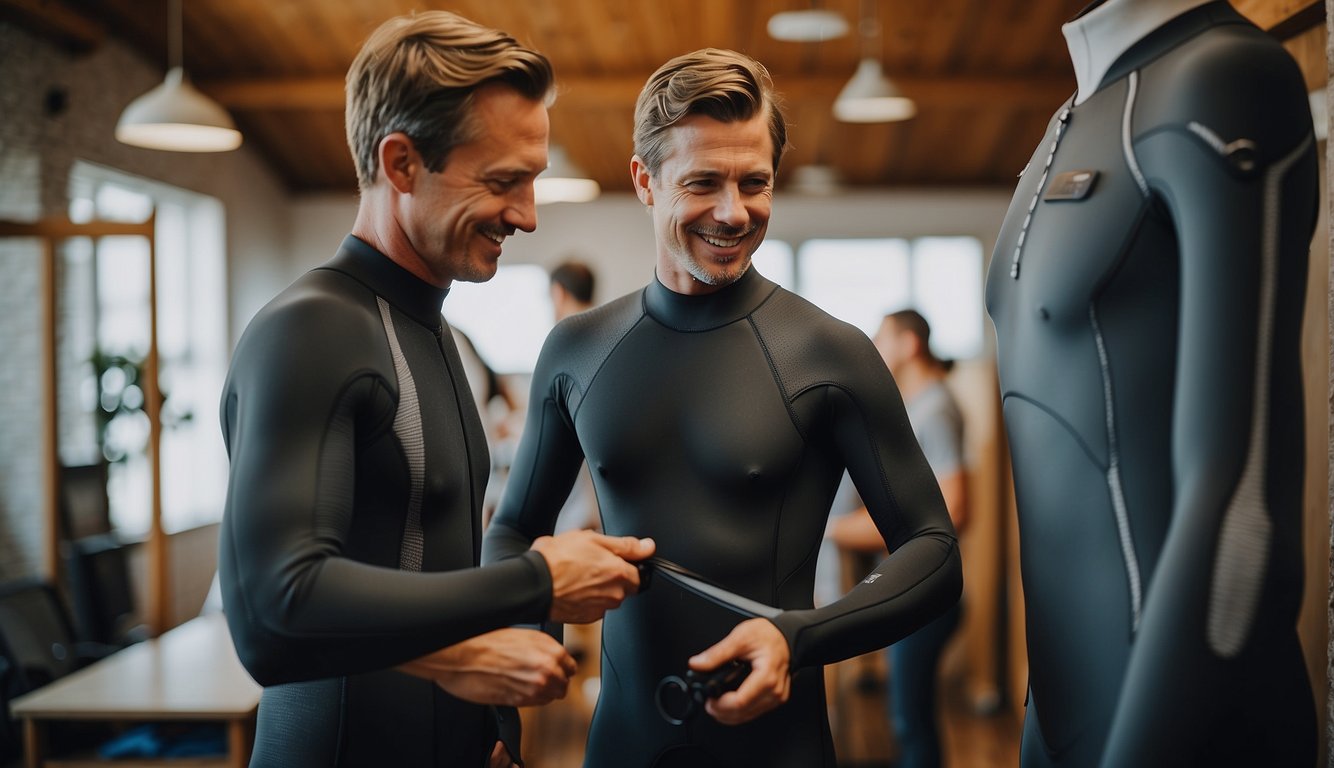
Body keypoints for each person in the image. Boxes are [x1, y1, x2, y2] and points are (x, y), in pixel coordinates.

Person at [483, 48, 961, 767]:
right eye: (704, 182)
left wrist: (799, 637)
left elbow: (934, 551)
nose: (734, 212)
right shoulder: (577, 350)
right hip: (623, 745)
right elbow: (516, 530)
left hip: (779, 746)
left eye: (755, 183)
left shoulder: (829, 354)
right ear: (645, 181)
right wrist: (506, 707)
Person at [217, 11, 655, 767]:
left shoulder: (438, 334)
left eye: (532, 180)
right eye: (502, 182)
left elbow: (429, 576)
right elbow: (271, 613)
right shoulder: (312, 330)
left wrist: (492, 732)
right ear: (400, 163)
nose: (525, 215)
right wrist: (536, 582)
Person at [984, 1, 1318, 766]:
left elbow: (1243, 511)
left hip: (1188, 723)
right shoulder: (1069, 119)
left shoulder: (1227, 77)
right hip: (1062, 719)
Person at [829, 310, 966, 768]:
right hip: (913, 586)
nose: (874, 348)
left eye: (882, 338)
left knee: (910, 720)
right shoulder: (920, 406)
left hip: (926, 590)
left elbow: (955, 509)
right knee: (906, 716)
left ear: (908, 344)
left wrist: (832, 530)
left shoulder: (936, 408)